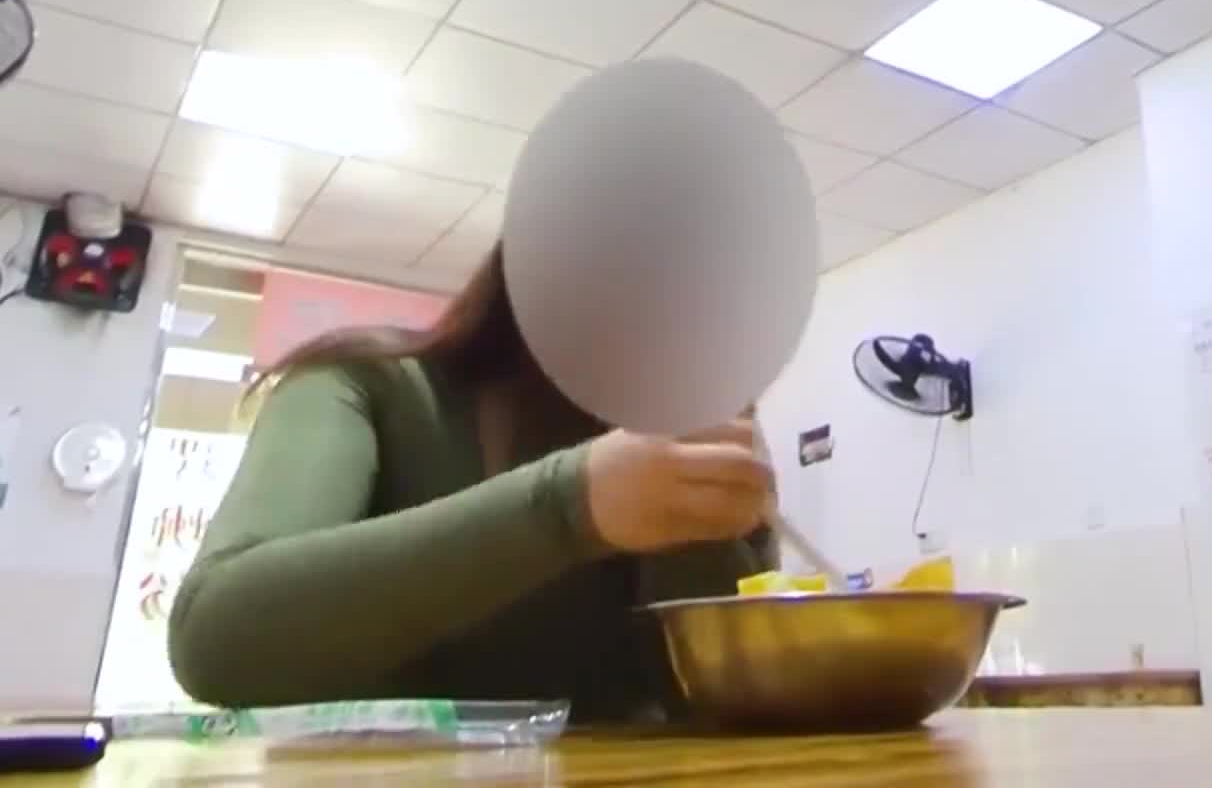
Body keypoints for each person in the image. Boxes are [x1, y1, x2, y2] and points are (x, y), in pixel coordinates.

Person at [167, 247, 779, 721]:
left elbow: (726, 700)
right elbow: (215, 639)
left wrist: (700, 518)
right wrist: (572, 504)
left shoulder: (687, 428)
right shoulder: (363, 383)